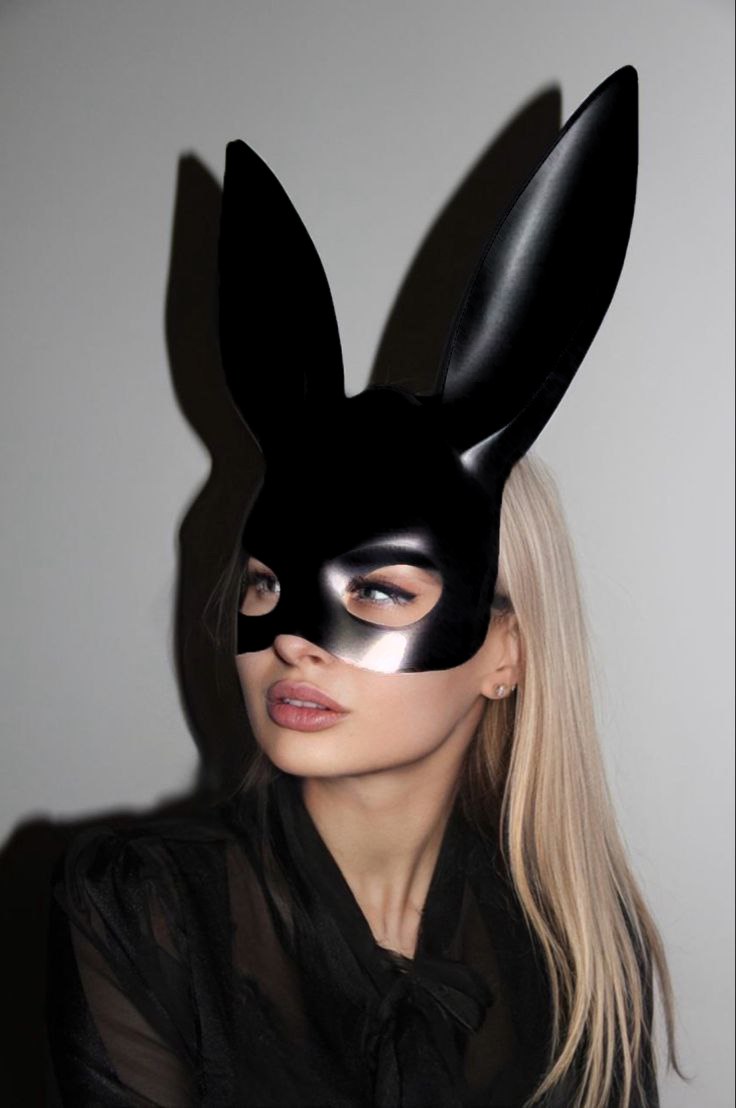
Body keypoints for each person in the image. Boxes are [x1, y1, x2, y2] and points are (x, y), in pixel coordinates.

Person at [45, 67, 684, 1107]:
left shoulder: (577, 942)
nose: (292, 641)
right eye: (266, 587)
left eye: (382, 593)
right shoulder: (146, 910)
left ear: (505, 651)